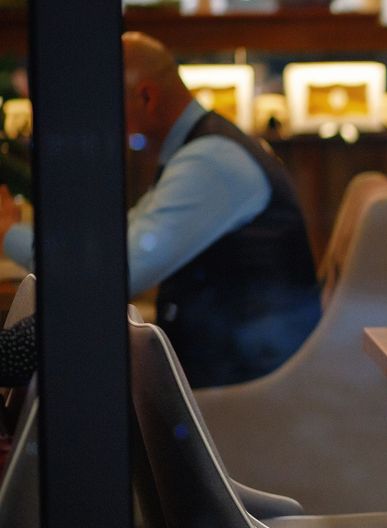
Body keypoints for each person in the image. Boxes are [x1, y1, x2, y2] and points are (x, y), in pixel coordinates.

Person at [0, 32, 321, 388]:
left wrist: (8, 233)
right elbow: (126, 239)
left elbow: (116, 274)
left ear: (147, 97)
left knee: (71, 345)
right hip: (224, 356)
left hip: (243, 379)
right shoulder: (199, 149)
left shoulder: (210, 160)